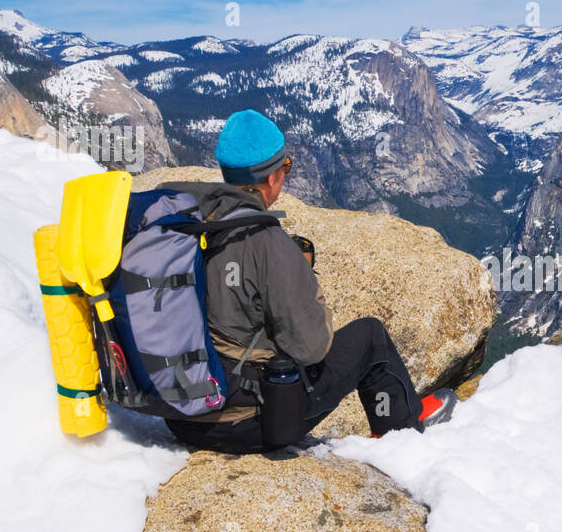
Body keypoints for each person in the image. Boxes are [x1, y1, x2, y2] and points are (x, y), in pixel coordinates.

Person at [160, 109, 456, 453]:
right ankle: (402, 435)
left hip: (181, 414)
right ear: (271, 178)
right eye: (285, 167)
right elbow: (311, 347)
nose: (284, 176)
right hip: (247, 423)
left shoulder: (187, 225)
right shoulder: (267, 242)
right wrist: (301, 284)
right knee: (371, 338)